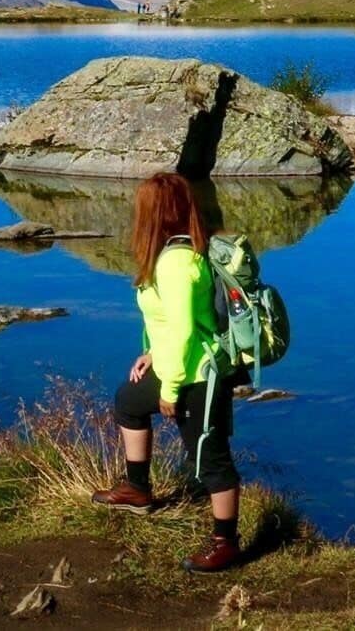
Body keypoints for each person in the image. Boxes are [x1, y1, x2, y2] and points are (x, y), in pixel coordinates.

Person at [92, 171, 243, 573]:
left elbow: (182, 330)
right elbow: (175, 325)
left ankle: (225, 543)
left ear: (156, 213)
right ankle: (138, 490)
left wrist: (170, 390)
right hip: (179, 363)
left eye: (140, 207)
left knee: (211, 460)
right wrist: (152, 354)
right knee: (128, 401)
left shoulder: (177, 262)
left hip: (198, 377)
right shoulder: (174, 251)